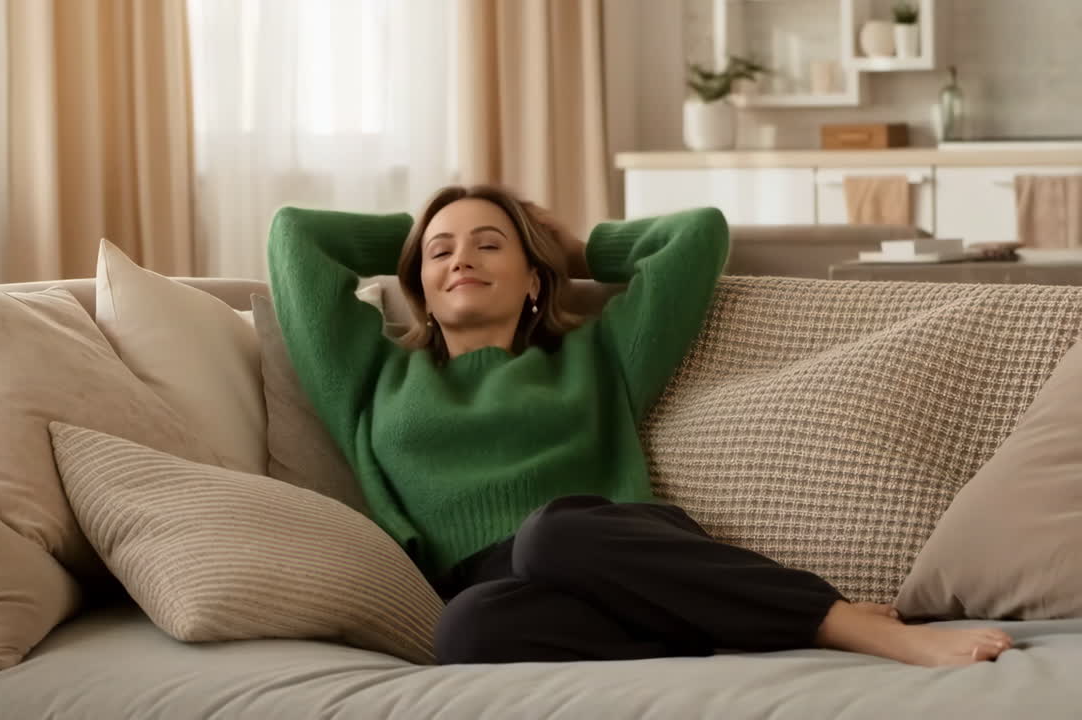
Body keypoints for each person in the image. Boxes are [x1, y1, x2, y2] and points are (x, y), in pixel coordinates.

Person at [266, 184, 1014, 667]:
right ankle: (722, 625)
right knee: (465, 633)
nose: (462, 257)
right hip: (503, 596)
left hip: (606, 546)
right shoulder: (373, 377)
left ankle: (845, 623)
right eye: (441, 252)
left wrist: (571, 247)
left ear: (534, 279)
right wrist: (422, 220)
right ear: (419, 284)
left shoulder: (597, 356)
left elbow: (695, 235)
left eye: (491, 244)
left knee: (551, 532)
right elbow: (296, 234)